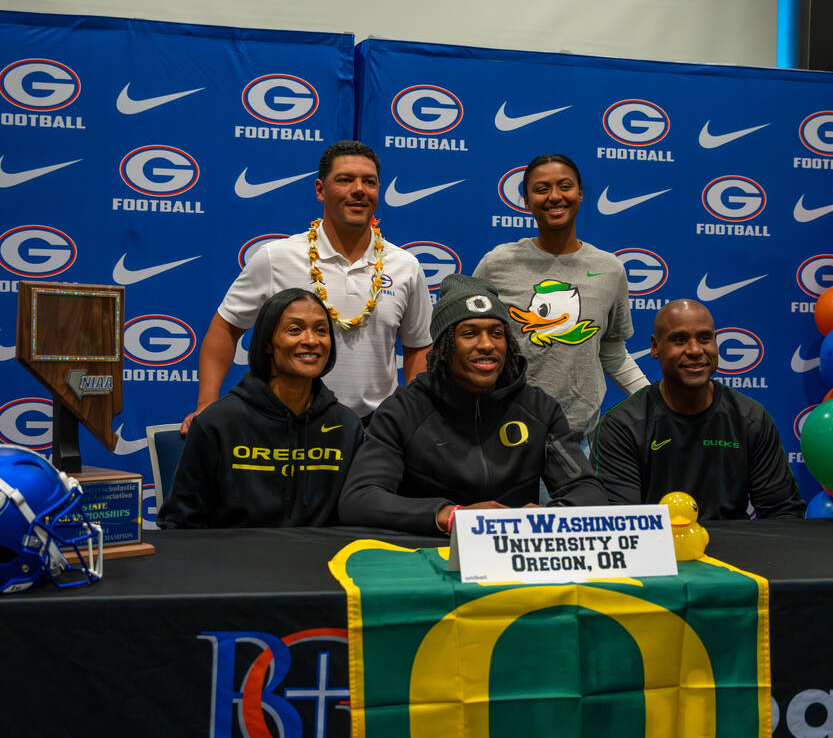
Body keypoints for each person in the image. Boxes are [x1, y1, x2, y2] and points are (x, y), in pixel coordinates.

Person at [182, 140, 432, 433]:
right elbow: (226, 327)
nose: (359, 189)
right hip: (286, 426)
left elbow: (418, 346)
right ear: (320, 190)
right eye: (345, 180)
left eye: (370, 182)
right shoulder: (277, 257)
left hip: (373, 431)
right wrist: (205, 403)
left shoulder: (405, 265)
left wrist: (415, 416)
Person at [338, 274, 608, 535]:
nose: (487, 345)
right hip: (428, 556)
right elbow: (360, 499)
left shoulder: (539, 409)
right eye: (469, 333)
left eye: (497, 333)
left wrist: (544, 518)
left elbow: (587, 491)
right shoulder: (404, 410)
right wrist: (451, 516)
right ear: (445, 345)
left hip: (513, 556)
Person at [473, 153, 649, 447]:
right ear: (526, 201)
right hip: (505, 436)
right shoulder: (497, 264)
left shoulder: (610, 269)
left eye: (565, 186)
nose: (555, 196)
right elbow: (464, 339)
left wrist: (653, 398)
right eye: (541, 189)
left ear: (580, 193)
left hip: (579, 442)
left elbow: (613, 350)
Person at [159, 289, 363, 528]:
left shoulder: (346, 426)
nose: (311, 340)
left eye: (321, 330)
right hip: (233, 561)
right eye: (295, 330)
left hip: (320, 561)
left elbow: (355, 519)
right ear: (268, 343)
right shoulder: (218, 422)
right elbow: (181, 523)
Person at [590, 299, 804, 519]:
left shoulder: (751, 418)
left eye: (704, 338)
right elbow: (621, 524)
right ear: (655, 347)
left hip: (736, 552)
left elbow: (783, 513)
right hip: (656, 551)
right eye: (679, 340)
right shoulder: (622, 425)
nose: (694, 350)